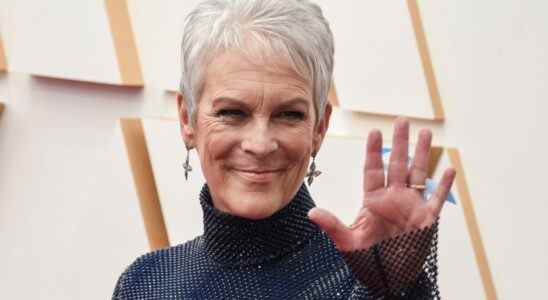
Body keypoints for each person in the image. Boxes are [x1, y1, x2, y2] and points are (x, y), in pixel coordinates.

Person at [112, 0, 456, 299]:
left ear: (318, 128)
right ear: (187, 119)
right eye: (232, 113)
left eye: (289, 115)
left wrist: (395, 291)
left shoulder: (364, 279)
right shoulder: (145, 282)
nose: (260, 144)